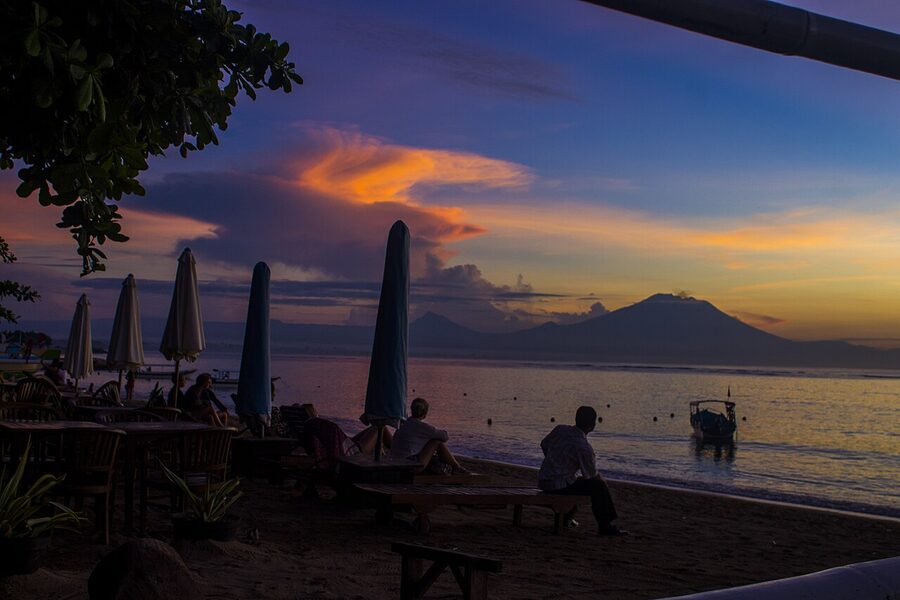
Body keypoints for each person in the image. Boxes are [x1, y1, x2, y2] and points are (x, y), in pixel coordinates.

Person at [538, 405, 626, 536]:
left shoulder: (560, 430)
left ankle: (567, 517)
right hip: (558, 486)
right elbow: (591, 476)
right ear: (592, 425)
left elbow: (544, 444)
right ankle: (605, 526)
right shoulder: (584, 447)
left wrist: (556, 463)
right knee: (599, 486)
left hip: (544, 480)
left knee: (576, 481)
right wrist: (603, 483)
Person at [390, 397, 468, 474]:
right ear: (425, 413)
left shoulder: (403, 425)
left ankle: (454, 468)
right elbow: (445, 437)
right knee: (436, 442)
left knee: (429, 443)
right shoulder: (422, 427)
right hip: (409, 466)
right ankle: (457, 468)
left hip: (394, 463)